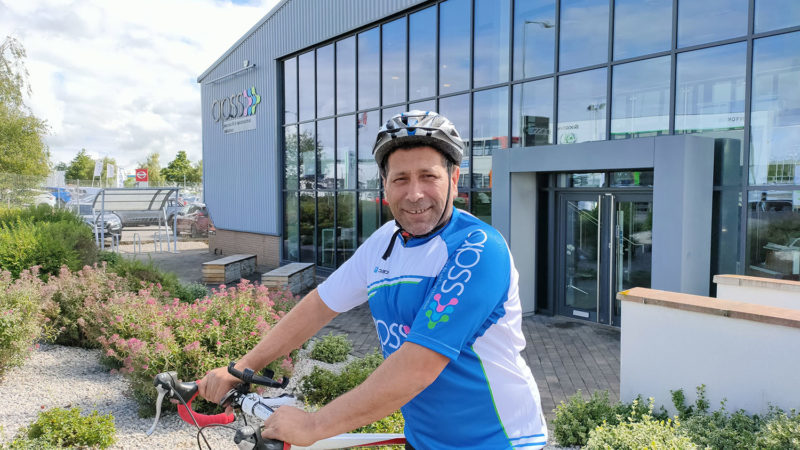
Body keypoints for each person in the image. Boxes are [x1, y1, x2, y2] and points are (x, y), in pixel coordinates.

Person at [199, 111, 547, 449]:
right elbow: (318, 307)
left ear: (454, 180)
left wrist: (314, 424)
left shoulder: (478, 248)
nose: (414, 194)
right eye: (400, 179)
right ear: (384, 185)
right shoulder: (384, 241)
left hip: (501, 442)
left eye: (428, 176)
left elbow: (418, 366)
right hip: (424, 440)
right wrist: (243, 367)